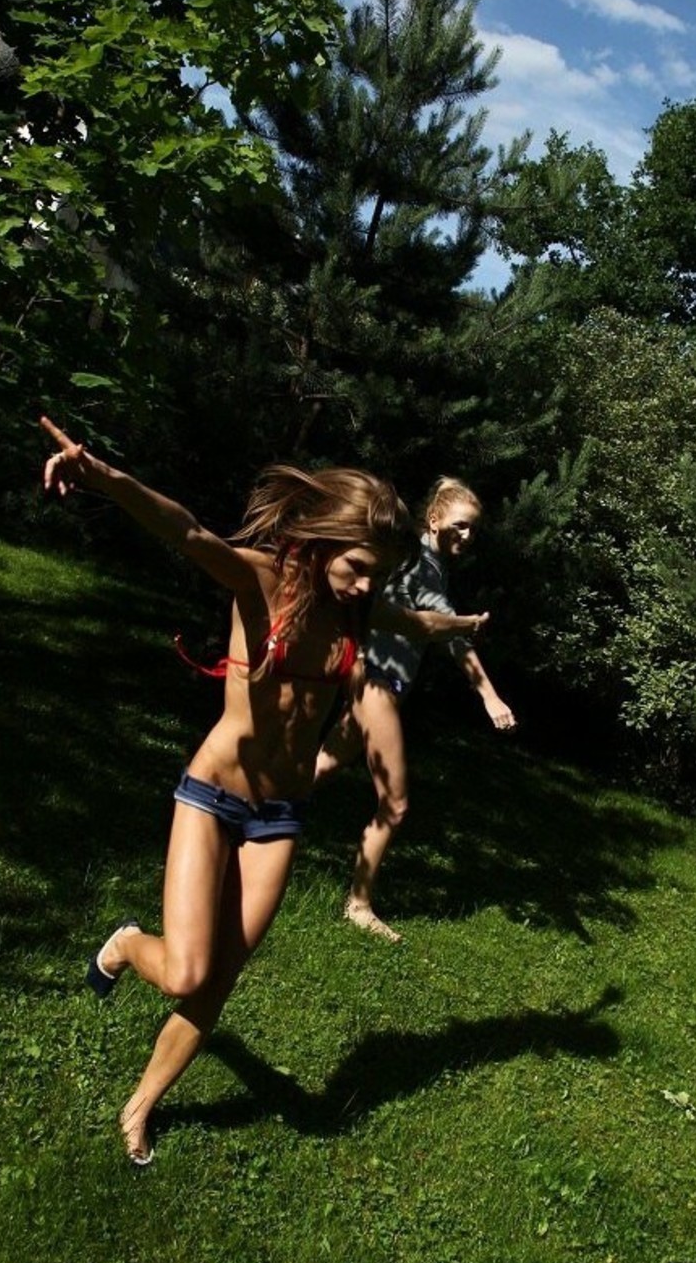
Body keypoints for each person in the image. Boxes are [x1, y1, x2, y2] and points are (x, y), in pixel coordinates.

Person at [40, 417, 487, 1165]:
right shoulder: (263, 580)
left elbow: (414, 622)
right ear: (323, 540)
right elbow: (187, 532)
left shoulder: (358, 610)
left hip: (278, 816)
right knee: (185, 969)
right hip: (213, 795)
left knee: (217, 981)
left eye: (375, 573)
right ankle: (124, 944)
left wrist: (464, 624)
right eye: (356, 566)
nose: (364, 584)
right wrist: (104, 478)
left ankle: (140, 1106)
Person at [315, 476, 516, 943]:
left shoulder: (427, 564)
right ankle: (359, 904)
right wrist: (489, 695)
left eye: (473, 528)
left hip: (375, 681)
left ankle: (247, 820)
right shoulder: (422, 566)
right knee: (395, 803)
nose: (467, 535)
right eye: (460, 525)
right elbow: (447, 634)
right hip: (377, 684)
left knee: (321, 766)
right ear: (434, 520)